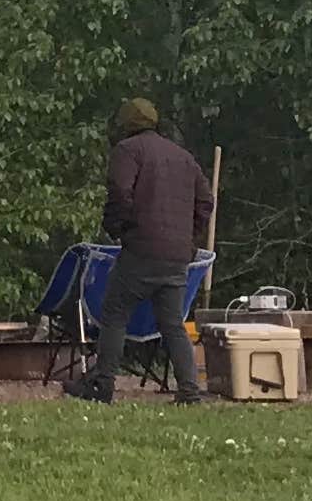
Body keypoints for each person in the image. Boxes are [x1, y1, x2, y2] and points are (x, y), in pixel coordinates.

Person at [69, 97, 209, 404]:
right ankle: (189, 391)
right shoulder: (184, 157)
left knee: (115, 314)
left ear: (127, 125)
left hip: (142, 248)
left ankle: (103, 384)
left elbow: (120, 191)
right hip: (176, 256)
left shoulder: (128, 151)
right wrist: (187, 238)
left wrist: (121, 228)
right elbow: (205, 201)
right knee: (172, 323)